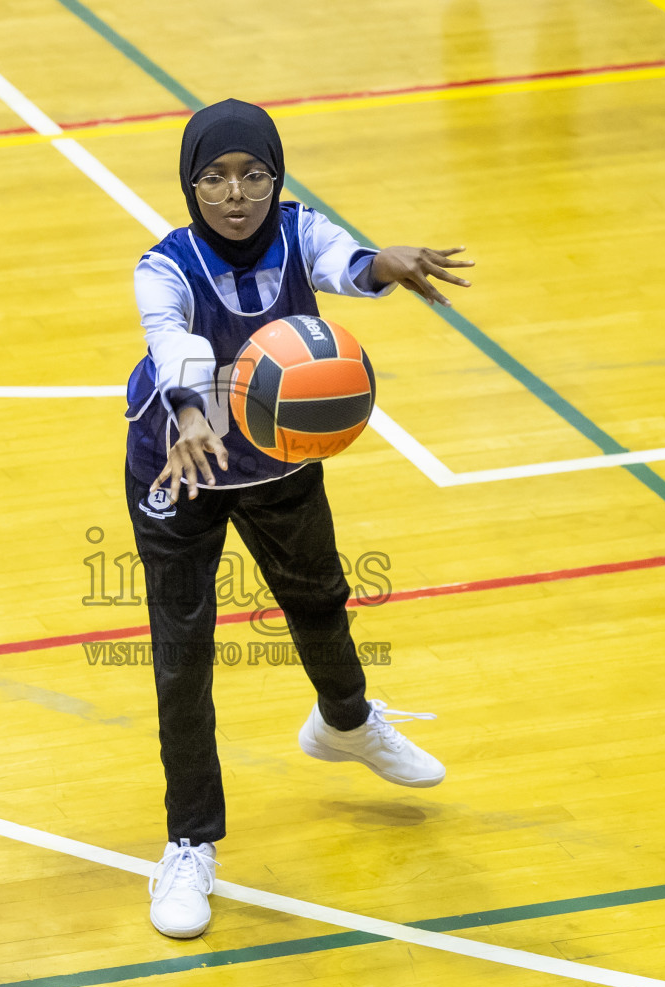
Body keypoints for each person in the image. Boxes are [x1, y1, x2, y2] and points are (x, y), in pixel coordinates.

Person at [124, 99, 475, 938]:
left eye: (254, 175)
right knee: (184, 651)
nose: (236, 193)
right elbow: (175, 342)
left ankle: (345, 723)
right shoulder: (162, 266)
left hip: (275, 456)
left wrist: (381, 265)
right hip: (182, 460)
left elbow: (342, 260)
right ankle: (188, 846)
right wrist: (195, 408)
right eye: (215, 177)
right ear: (190, 184)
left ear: (276, 178)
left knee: (320, 598)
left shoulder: (295, 228)